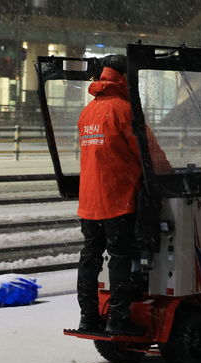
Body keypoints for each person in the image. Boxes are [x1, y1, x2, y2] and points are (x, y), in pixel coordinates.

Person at [75, 54, 145, 336]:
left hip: (89, 201)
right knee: (120, 258)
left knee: (90, 257)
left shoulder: (88, 111)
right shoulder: (125, 110)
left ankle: (88, 317)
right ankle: (119, 317)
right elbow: (147, 152)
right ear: (125, 78)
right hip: (118, 198)